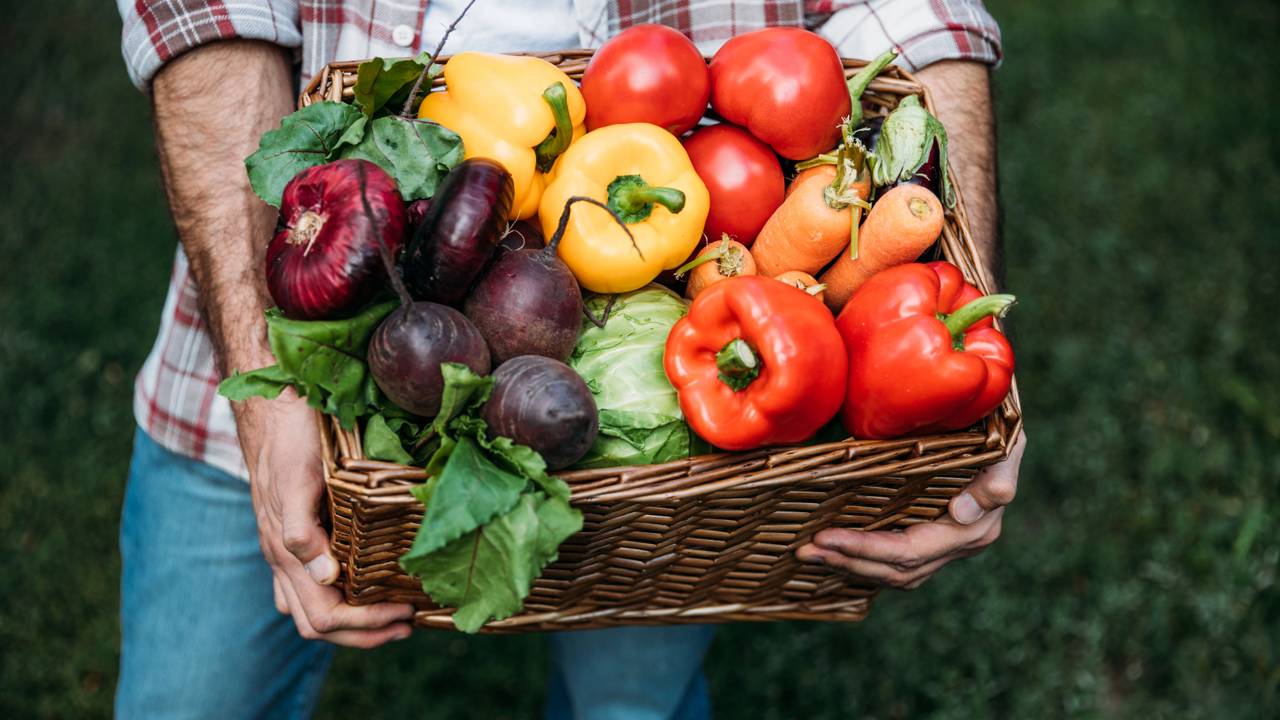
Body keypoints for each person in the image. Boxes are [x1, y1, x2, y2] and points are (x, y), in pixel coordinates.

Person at [113, 1, 1020, 717]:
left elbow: (919, 15)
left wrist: (968, 402)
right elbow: (207, 16)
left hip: (702, 461)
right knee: (188, 700)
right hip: (279, 315)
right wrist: (267, 398)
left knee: (634, 708)